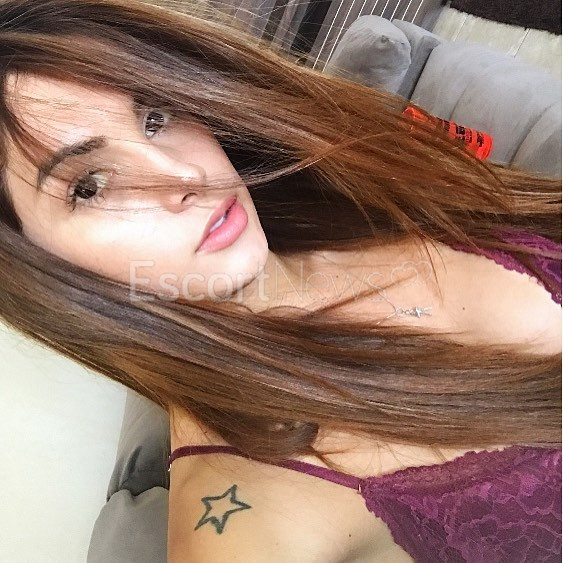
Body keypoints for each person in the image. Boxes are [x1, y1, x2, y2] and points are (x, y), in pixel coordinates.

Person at [0, 0, 560, 561]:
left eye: (155, 117)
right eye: (90, 186)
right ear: (41, 272)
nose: (184, 174)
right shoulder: (246, 523)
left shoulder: (352, 188)